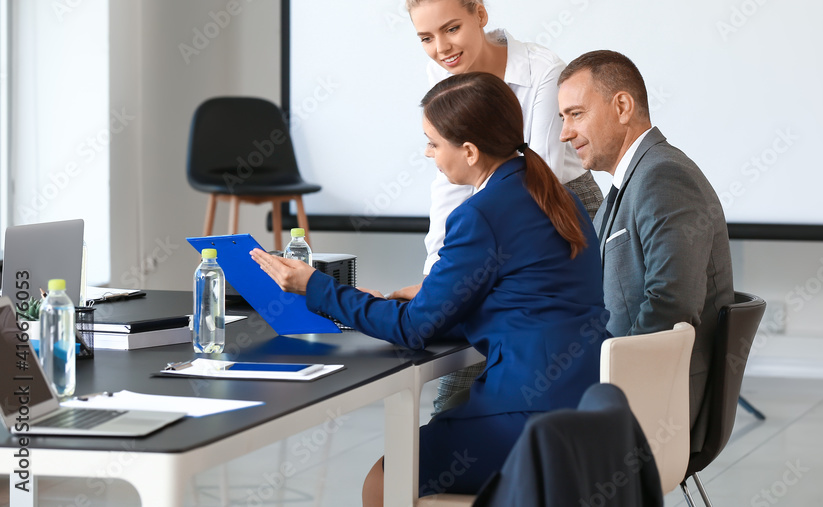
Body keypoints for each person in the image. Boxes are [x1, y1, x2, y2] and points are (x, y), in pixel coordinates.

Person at [251, 72, 607, 504]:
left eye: (434, 143)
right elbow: (529, 299)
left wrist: (315, 286)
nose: (427, 153)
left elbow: (413, 330)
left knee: (383, 481)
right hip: (589, 406)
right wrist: (437, 298)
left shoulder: (481, 214)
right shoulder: (556, 195)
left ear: (470, 152)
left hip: (529, 415)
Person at [399, 0, 604, 411]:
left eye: (451, 29)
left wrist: (458, 285)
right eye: (426, 38)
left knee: (515, 338)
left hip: (558, 207)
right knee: (469, 346)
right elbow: (449, 186)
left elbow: (539, 176)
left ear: (481, 15)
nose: (441, 48)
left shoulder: (543, 71)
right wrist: (437, 277)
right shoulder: (442, 77)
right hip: (492, 212)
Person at [556, 50, 734, 453]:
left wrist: (604, 386)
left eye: (575, 114)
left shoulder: (663, 176)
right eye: (563, 118)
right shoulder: (631, 182)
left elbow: (671, 305)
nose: (565, 133)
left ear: (621, 106)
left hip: (654, 404)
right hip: (620, 387)